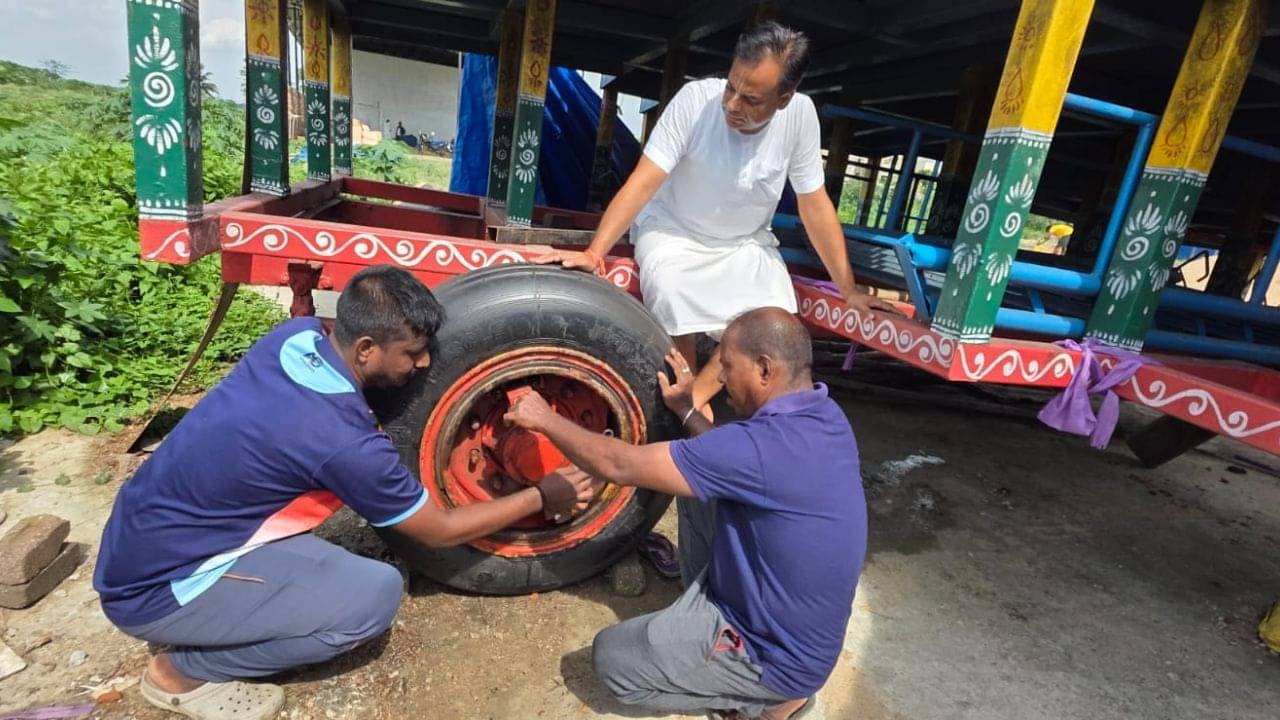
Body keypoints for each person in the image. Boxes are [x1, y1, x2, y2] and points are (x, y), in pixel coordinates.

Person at [94, 265, 594, 720]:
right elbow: (438, 532)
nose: (423, 366)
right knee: (371, 599)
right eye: (412, 355)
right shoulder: (341, 441)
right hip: (156, 589)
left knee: (339, 569)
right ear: (366, 350)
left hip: (143, 534)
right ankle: (184, 672)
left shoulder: (295, 338)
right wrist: (541, 496)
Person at [504, 307, 867, 720]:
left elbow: (620, 465)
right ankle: (703, 630)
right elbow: (734, 462)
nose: (723, 378)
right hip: (788, 622)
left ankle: (766, 705)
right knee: (697, 487)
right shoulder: (824, 417)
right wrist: (687, 411)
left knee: (613, 660)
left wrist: (544, 418)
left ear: (764, 370)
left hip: (769, 656)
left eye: (728, 366)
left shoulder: (760, 448)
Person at [537, 21, 899, 418]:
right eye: (731, 87)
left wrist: (847, 289)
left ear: (784, 98)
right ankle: (685, 401)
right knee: (674, 296)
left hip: (745, 242)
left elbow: (814, 204)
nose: (732, 104)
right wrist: (594, 252)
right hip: (673, 231)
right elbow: (643, 182)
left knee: (774, 314)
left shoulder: (800, 117)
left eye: (751, 99)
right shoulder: (695, 101)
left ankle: (692, 401)